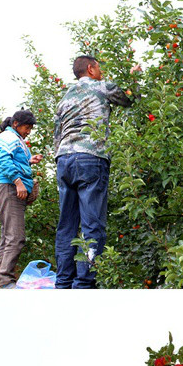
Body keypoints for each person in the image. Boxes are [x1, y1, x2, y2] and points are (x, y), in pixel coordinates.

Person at [53, 56, 140, 289]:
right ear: (90, 69)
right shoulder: (101, 86)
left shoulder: (65, 97)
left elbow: (56, 134)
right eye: (99, 68)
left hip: (64, 160)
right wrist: (134, 76)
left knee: (67, 226)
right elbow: (129, 99)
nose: (101, 72)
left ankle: (63, 283)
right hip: (90, 158)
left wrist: (61, 159)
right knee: (92, 224)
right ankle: (84, 284)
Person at [0, 110, 43, 288]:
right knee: (16, 237)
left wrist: (30, 161)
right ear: (16, 124)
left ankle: (0, 281)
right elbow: (3, 161)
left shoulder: (16, 138)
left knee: (7, 237)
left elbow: (15, 160)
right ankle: (5, 281)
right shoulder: (9, 137)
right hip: (10, 189)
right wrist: (18, 182)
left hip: (9, 190)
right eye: (27, 127)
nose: (28, 131)